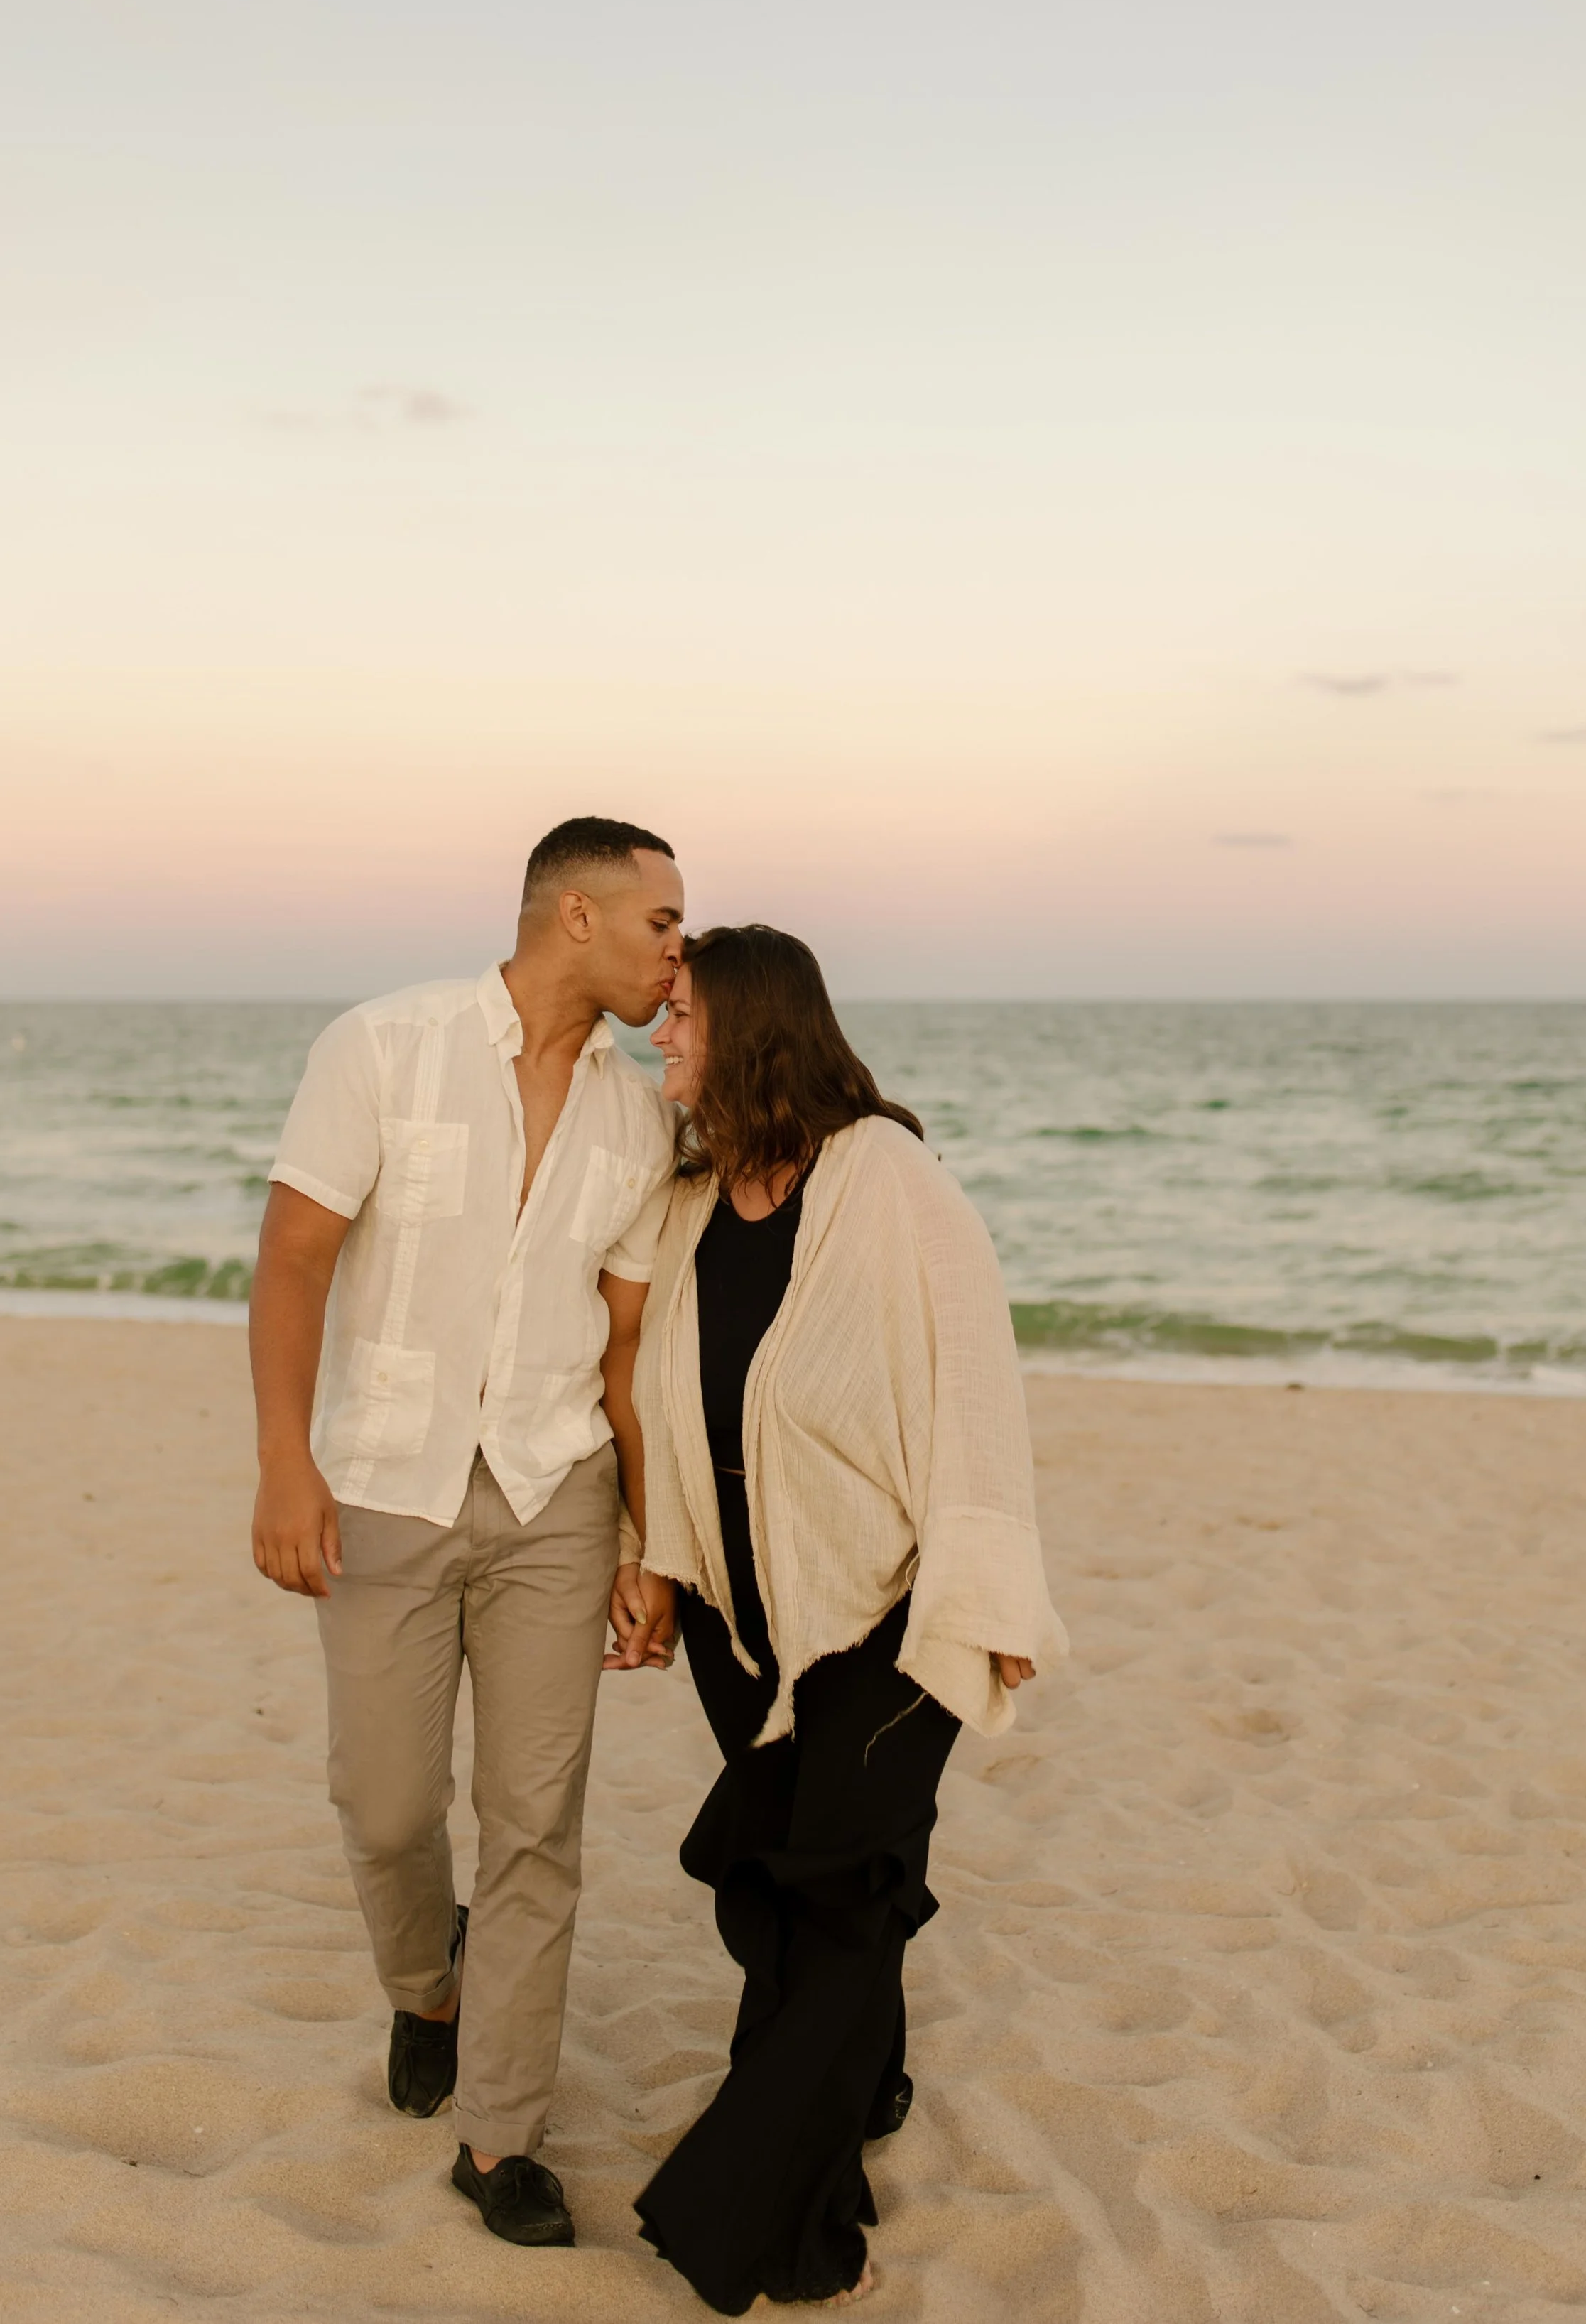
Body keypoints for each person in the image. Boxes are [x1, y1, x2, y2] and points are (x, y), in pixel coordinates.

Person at [611, 924, 1066, 2313]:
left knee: (845, 1892)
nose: (659, 1039)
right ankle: (863, 2087)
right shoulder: (683, 1198)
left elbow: (976, 1397)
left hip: (891, 1608)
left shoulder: (890, 1182)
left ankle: (763, 2218)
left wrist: (984, 1595)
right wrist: (653, 1556)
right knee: (779, 1873)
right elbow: (644, 1376)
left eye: (680, 1017)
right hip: (739, 1612)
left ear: (749, 1029)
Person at [249, 817, 684, 2253]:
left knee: (534, 1821)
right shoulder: (384, 1046)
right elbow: (294, 1259)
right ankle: (424, 1991)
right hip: (383, 1478)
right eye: (660, 924)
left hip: (556, 1494)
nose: (677, 952)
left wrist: (642, 1540)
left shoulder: (639, 1116)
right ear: (574, 915)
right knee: (381, 1805)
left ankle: (500, 2138)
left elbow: (623, 1354)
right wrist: (284, 1467)